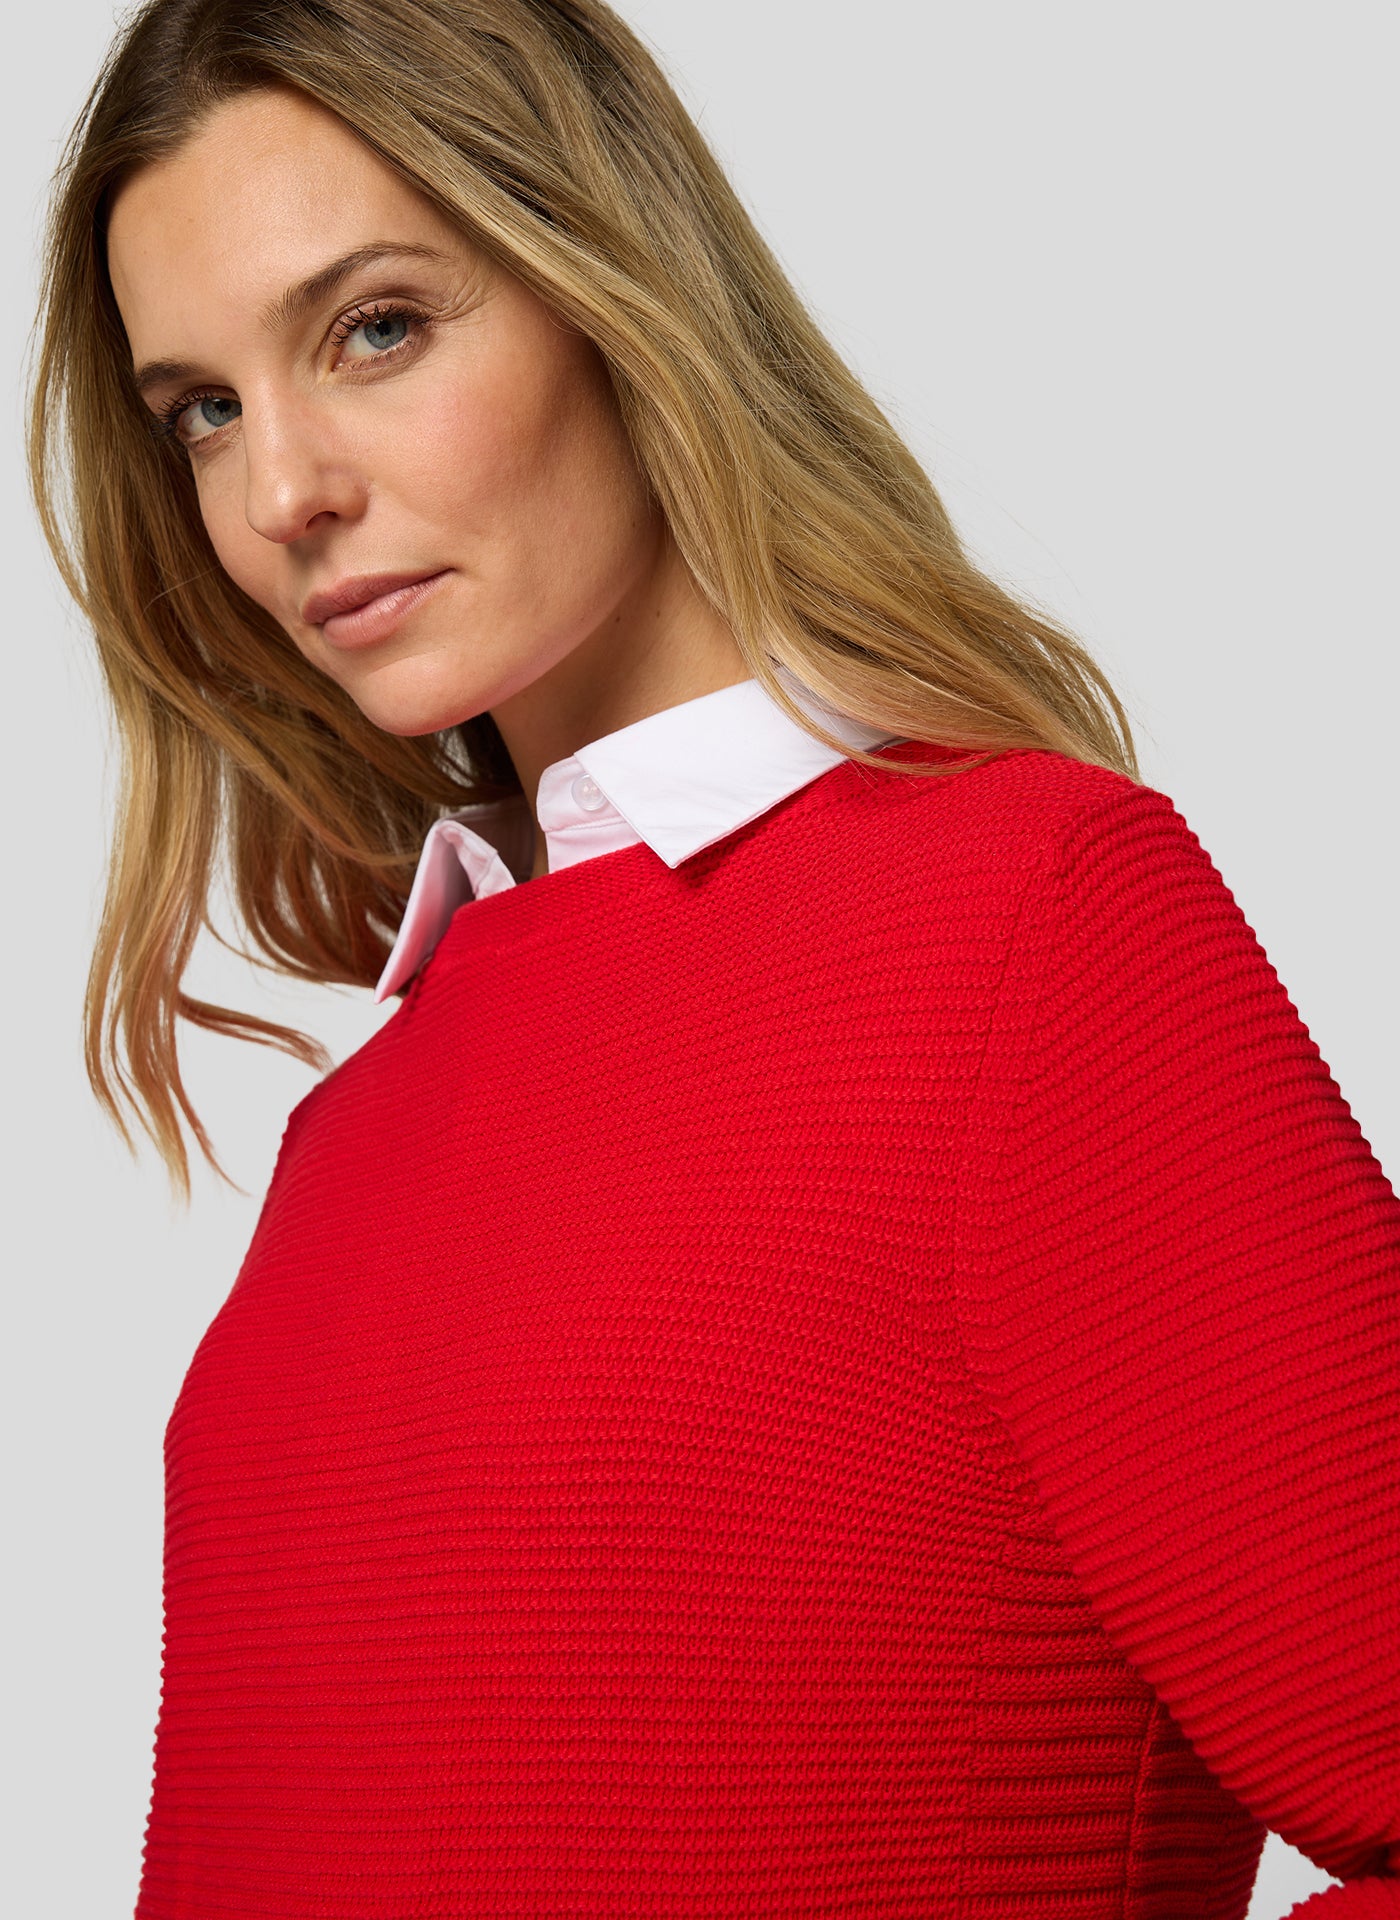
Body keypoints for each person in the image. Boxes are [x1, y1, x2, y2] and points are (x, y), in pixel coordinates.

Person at [27, 0, 1398, 1913]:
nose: (281, 496)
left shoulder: (1030, 930)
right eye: (204, 410)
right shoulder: (367, 1116)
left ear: (617, 293)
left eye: (377, 328)